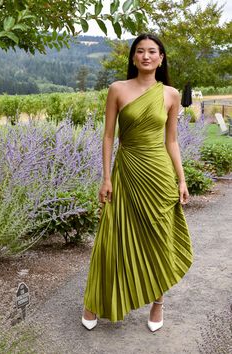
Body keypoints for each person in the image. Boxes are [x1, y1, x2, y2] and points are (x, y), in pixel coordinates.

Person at [82, 33, 193, 332]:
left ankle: (158, 302)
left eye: (152, 51)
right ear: (133, 58)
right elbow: (108, 136)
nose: (146, 56)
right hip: (126, 170)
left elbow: (172, 141)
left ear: (161, 57)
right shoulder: (117, 89)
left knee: (159, 237)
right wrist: (106, 177)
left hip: (158, 174)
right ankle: (94, 300)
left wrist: (181, 180)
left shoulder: (170, 94)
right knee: (111, 236)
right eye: (140, 51)